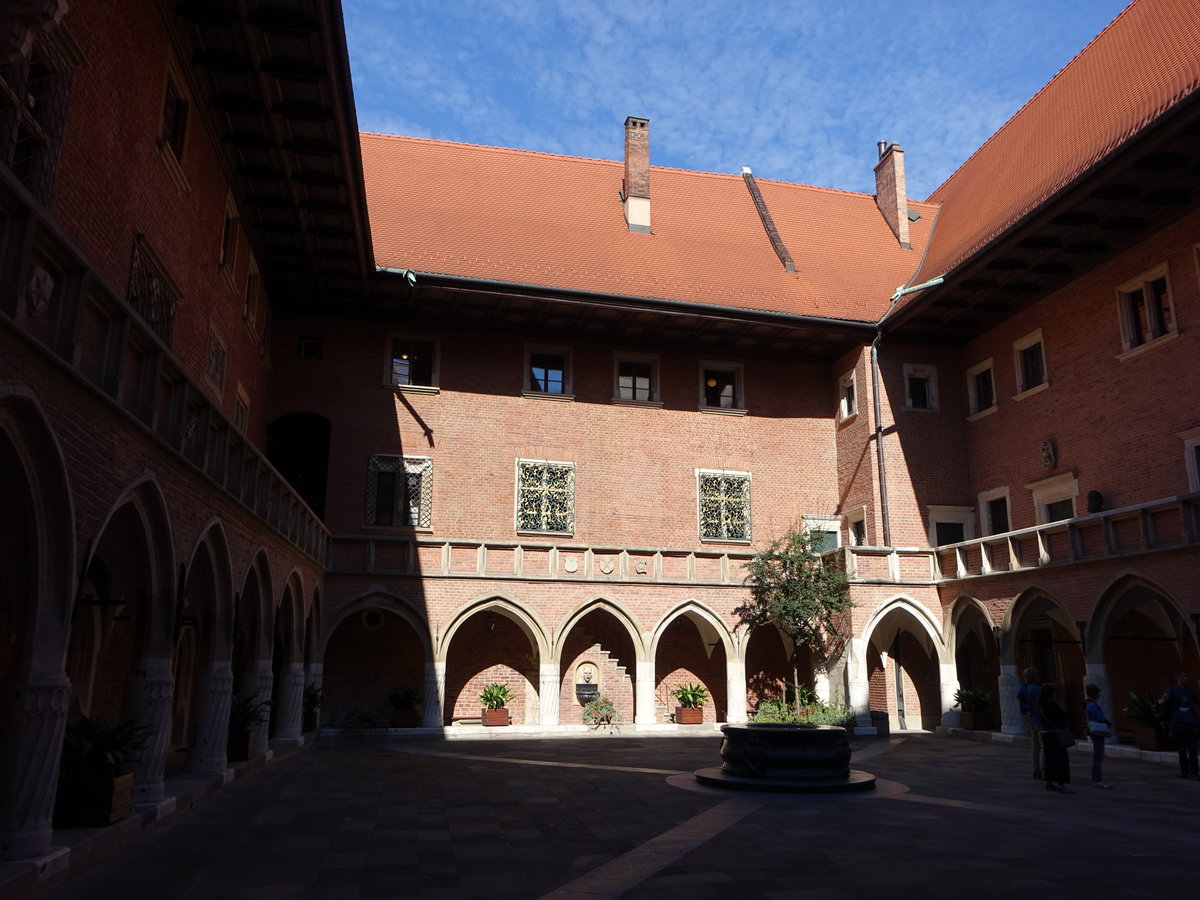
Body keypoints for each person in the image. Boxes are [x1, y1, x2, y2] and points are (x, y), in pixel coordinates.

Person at [1160, 671, 1199, 780]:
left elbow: (1196, 701)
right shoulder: (1172, 690)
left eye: (1187, 676)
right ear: (1178, 677)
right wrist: (1163, 701)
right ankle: (1184, 771)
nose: (1187, 678)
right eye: (1184, 676)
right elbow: (1163, 701)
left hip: (1191, 722)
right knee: (1182, 748)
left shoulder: (1190, 691)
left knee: (1193, 748)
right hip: (1179, 722)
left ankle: (1194, 772)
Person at [1038, 683, 1071, 792]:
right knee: (1060, 759)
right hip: (1054, 734)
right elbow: (1064, 716)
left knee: (1049, 759)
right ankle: (1061, 783)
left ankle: (1049, 782)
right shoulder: (1051, 705)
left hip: (1045, 733)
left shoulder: (1040, 705)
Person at [1084, 683, 1112, 789]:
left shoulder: (1088, 704)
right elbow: (1100, 717)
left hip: (1093, 731)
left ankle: (1097, 779)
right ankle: (1097, 779)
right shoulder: (1092, 705)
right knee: (1098, 756)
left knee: (1097, 755)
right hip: (1097, 731)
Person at [1016, 667, 1042, 779]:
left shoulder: (1023, 688)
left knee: (1035, 745)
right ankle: (1044, 769)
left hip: (1030, 718)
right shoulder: (1037, 689)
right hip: (1040, 719)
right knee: (1043, 746)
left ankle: (1036, 769)